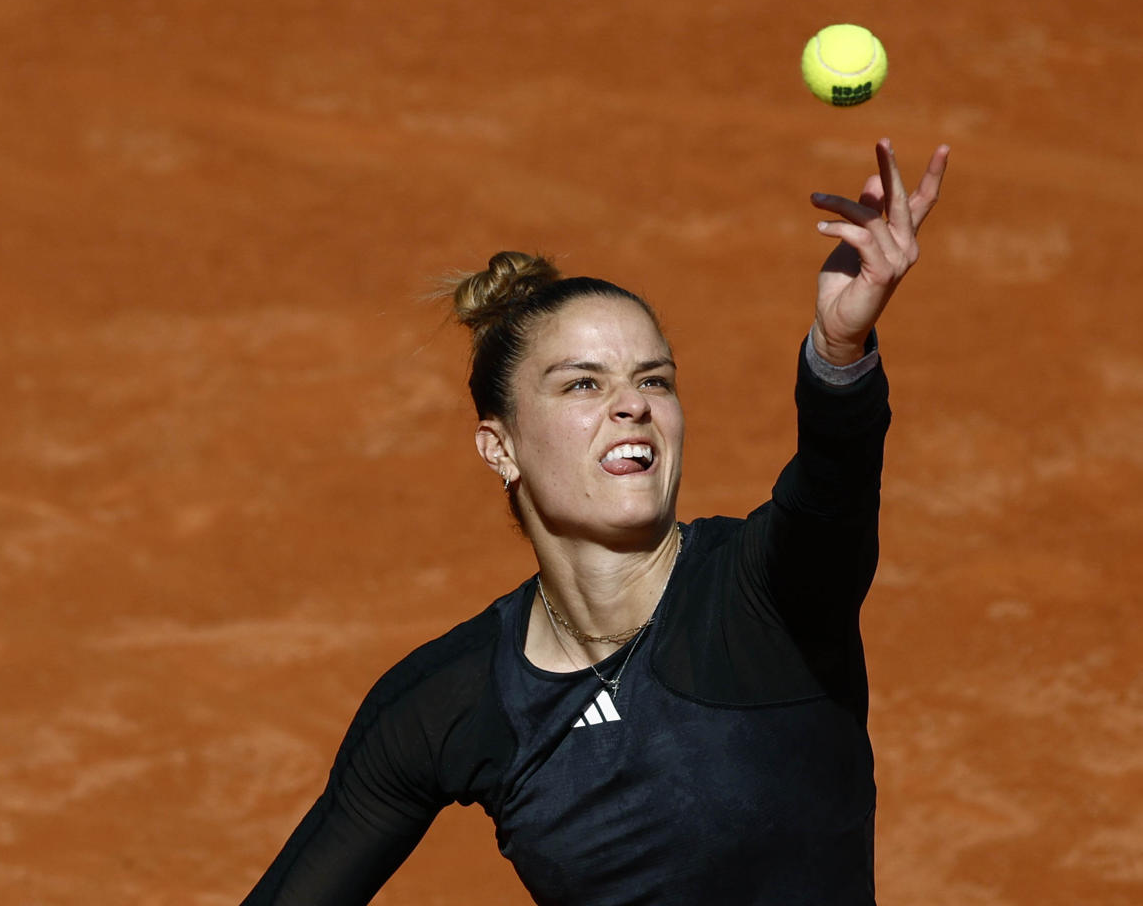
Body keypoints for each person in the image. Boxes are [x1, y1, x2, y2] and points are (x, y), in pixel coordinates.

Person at [242, 137, 950, 905]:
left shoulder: (765, 594)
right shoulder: (455, 700)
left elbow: (835, 482)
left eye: (654, 378)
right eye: (583, 384)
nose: (632, 403)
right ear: (500, 446)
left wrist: (839, 348)